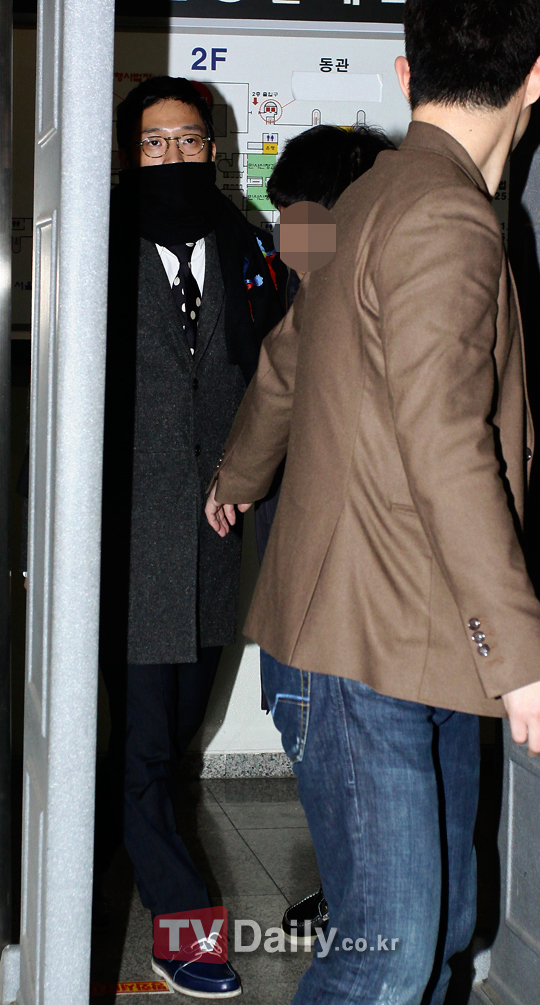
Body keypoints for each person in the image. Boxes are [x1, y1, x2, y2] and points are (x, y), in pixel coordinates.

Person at [205, 2, 540, 1002]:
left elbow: (286, 363)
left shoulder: (369, 197)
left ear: (406, 76)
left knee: (440, 929)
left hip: (409, 635)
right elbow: (448, 445)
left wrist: (236, 478)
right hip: (370, 641)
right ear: (535, 80)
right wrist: (522, 657)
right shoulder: (448, 215)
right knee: (387, 957)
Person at [95, 76, 286, 999]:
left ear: (212, 149)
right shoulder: (95, 245)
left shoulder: (248, 243)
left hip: (214, 534)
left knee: (173, 740)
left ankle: (109, 868)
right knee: (142, 748)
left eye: (188, 140)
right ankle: (187, 931)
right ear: (127, 154)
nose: (173, 155)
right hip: (124, 539)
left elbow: (278, 370)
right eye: (154, 142)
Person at [259, 123, 397, 946]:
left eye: (298, 214)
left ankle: (356, 909)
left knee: (339, 749)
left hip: (341, 575)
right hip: (301, 555)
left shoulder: (360, 287)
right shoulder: (312, 281)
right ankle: (350, 892)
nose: (287, 234)